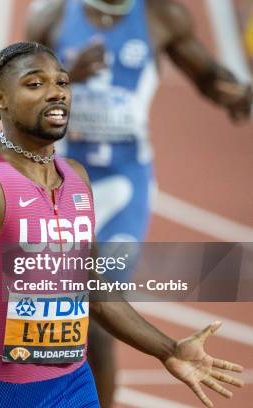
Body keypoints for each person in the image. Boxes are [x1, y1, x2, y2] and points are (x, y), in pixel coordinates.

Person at [0, 42, 244, 408]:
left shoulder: (76, 179)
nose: (56, 93)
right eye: (35, 84)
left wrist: (168, 350)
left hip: (72, 387)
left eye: (62, 83)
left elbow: (94, 290)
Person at [25, 0, 252, 405]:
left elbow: (206, 76)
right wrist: (64, 78)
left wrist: (234, 94)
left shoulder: (163, 16)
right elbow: (11, 97)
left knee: (97, 313)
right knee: (34, 307)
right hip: (59, 182)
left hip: (125, 187)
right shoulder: (53, 15)